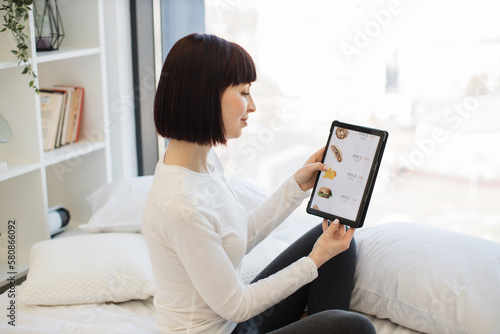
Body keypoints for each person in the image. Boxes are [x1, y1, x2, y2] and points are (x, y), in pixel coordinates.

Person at [142, 33, 376, 334]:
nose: (252, 106)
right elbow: (237, 305)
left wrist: (295, 187)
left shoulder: (203, 162)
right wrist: (315, 260)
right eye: (243, 92)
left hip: (235, 325)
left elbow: (236, 236)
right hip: (223, 325)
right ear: (206, 95)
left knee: (340, 246)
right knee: (353, 327)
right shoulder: (181, 206)